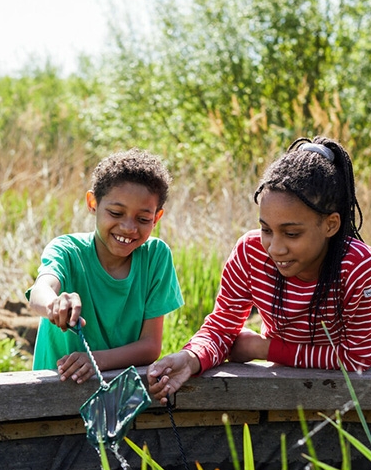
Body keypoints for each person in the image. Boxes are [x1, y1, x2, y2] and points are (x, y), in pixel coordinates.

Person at [148, 136, 371, 404]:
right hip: (280, 393)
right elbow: (222, 328)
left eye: (291, 233)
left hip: (348, 402)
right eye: (266, 229)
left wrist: (265, 348)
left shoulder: (358, 267)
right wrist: (191, 357)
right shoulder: (251, 252)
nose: (275, 248)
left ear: (330, 225)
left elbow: (359, 357)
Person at [27, 147, 183, 384]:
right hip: (56, 391)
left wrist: (94, 360)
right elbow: (40, 291)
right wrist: (55, 303)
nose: (129, 228)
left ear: (157, 218)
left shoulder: (156, 257)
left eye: (143, 219)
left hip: (120, 397)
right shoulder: (67, 251)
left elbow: (150, 346)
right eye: (116, 213)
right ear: (92, 203)